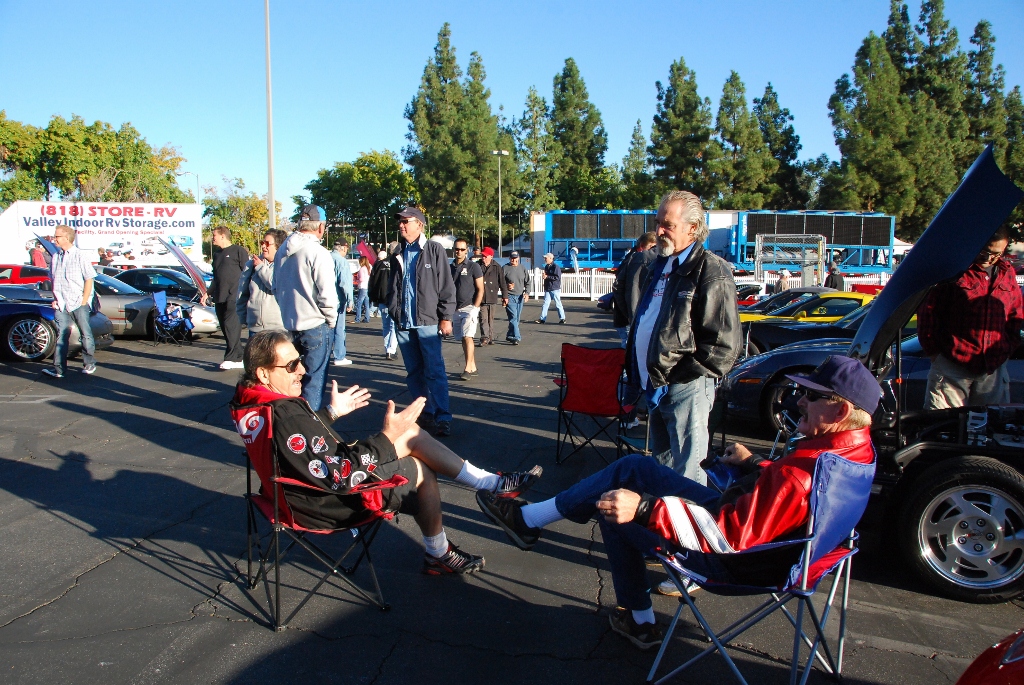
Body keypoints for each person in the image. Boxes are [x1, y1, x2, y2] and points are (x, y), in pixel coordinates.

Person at [477, 354, 878, 649]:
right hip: (785, 547)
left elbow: (728, 538)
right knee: (634, 467)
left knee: (616, 508)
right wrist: (755, 463)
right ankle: (529, 520)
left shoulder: (800, 473)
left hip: (733, 559)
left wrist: (647, 509)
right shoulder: (856, 452)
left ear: (840, 408)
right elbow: (793, 495)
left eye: (811, 396)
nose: (800, 401)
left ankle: (640, 621)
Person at [231, 330, 544, 575]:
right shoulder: (286, 413)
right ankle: (444, 547)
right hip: (321, 503)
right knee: (419, 469)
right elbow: (339, 478)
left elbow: (293, 447)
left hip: (285, 493)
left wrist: (329, 414)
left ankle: (489, 487)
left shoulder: (253, 404)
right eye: (291, 365)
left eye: (300, 360)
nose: (302, 369)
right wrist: (385, 438)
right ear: (263, 374)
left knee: (408, 433)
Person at [627, 190, 742, 483]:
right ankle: (666, 523)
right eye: (657, 223)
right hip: (657, 384)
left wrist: (680, 375)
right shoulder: (659, 264)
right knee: (664, 469)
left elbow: (723, 346)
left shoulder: (711, 269)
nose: (659, 231)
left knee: (689, 472)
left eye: (668, 225)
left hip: (685, 387)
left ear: (693, 228)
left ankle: (689, 527)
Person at [917, 226, 1024, 409]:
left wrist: (1007, 348)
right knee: (943, 426)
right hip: (952, 365)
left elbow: (1016, 315)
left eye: (996, 254)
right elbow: (929, 312)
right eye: (985, 251)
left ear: (1005, 248)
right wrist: (935, 352)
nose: (989, 258)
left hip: (993, 368)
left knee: (990, 427)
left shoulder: (1007, 274)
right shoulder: (955, 271)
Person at [387, 205, 457, 437]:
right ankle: (423, 413)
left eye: (406, 221)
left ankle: (442, 416)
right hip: (404, 322)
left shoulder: (433, 249)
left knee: (434, 370)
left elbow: (446, 286)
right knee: (414, 372)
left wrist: (446, 317)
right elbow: (394, 287)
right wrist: (394, 311)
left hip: (427, 321)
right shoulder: (398, 251)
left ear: (420, 224)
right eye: (400, 221)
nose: (401, 225)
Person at [273, 204, 339, 412]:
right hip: (315, 324)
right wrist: (331, 320)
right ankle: (310, 432)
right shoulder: (318, 252)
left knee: (292, 381)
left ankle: (292, 425)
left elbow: (275, 287)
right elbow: (327, 293)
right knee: (314, 382)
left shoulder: (282, 251)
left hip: (290, 325)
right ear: (320, 227)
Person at [43, 225, 97, 378]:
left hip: (78, 302)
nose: (55, 239)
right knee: (61, 335)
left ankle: (89, 363)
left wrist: (84, 300)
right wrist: (55, 299)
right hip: (61, 303)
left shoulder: (80, 256)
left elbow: (89, 278)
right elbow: (54, 280)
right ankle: (59, 369)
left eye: (57, 237)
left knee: (85, 333)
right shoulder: (56, 257)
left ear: (67, 237)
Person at [206, 227, 249, 370]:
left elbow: (247, 272)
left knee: (231, 326)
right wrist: (208, 293)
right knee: (225, 328)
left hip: (234, 295)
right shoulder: (217, 255)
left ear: (223, 236)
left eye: (214, 235)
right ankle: (238, 357)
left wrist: (247, 293)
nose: (213, 238)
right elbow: (215, 278)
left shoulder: (238, 251)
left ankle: (229, 358)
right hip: (219, 296)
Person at [237, 229, 287, 334]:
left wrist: (260, 267)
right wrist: (242, 317)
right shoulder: (251, 265)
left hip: (279, 329)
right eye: (262, 243)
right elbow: (242, 293)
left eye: (267, 243)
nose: (263, 246)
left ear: (278, 246)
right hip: (255, 328)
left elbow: (273, 284)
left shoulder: (285, 265)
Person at [612, 232, 658, 348]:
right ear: (642, 246)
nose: (654, 251)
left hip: (627, 317)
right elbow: (618, 287)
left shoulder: (629, 259)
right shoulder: (634, 260)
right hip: (628, 319)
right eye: (652, 247)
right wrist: (629, 312)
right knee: (631, 351)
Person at [450, 238, 484, 381]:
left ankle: (467, 369)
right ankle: (473, 366)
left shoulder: (473, 266)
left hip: (469, 306)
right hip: (455, 308)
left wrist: (475, 308)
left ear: (467, 250)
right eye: (457, 249)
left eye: (462, 249)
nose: (459, 252)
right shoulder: (449, 267)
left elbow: (480, 289)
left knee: (468, 336)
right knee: (462, 338)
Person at [368, 248, 398, 360]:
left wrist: (373, 297)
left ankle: (387, 349)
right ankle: (391, 350)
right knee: (393, 326)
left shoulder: (378, 264)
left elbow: (372, 282)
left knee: (386, 326)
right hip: (393, 300)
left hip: (381, 299)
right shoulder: (396, 264)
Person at [330, 241, 354, 366]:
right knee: (339, 328)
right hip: (338, 300)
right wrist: (350, 300)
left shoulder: (326, 257)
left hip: (324, 300)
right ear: (344, 248)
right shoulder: (341, 261)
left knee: (327, 328)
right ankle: (339, 356)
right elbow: (344, 283)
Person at [477, 247, 507, 346]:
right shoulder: (477, 265)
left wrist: (504, 296)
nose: (483, 258)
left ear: (491, 256)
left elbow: (502, 282)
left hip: (492, 296)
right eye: (482, 255)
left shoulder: (496, 267)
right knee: (483, 318)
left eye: (485, 256)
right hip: (481, 296)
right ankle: (484, 337)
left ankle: (490, 337)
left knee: (490, 318)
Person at [502, 251, 530, 345]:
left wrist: (527, 293)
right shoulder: (505, 268)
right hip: (509, 295)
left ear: (518, 258)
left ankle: (510, 335)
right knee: (513, 317)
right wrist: (507, 286)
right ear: (509, 258)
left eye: (515, 258)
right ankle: (517, 337)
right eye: (512, 258)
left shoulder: (522, 268)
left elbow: (528, 282)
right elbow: (500, 283)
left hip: (520, 296)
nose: (514, 260)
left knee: (516, 318)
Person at [535, 252, 565, 324]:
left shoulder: (555, 267)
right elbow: (547, 276)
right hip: (548, 288)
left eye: (546, 258)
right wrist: (545, 279)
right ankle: (542, 319)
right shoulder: (546, 267)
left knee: (558, 304)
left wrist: (547, 277)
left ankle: (562, 318)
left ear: (551, 258)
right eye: (544, 258)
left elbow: (557, 277)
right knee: (545, 304)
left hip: (555, 288)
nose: (545, 259)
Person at [352, 255, 371, 323]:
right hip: (367, 287)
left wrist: (356, 279)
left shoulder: (362, 269)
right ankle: (367, 318)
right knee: (366, 304)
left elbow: (362, 279)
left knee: (359, 303)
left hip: (362, 287)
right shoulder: (368, 268)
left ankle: (357, 318)